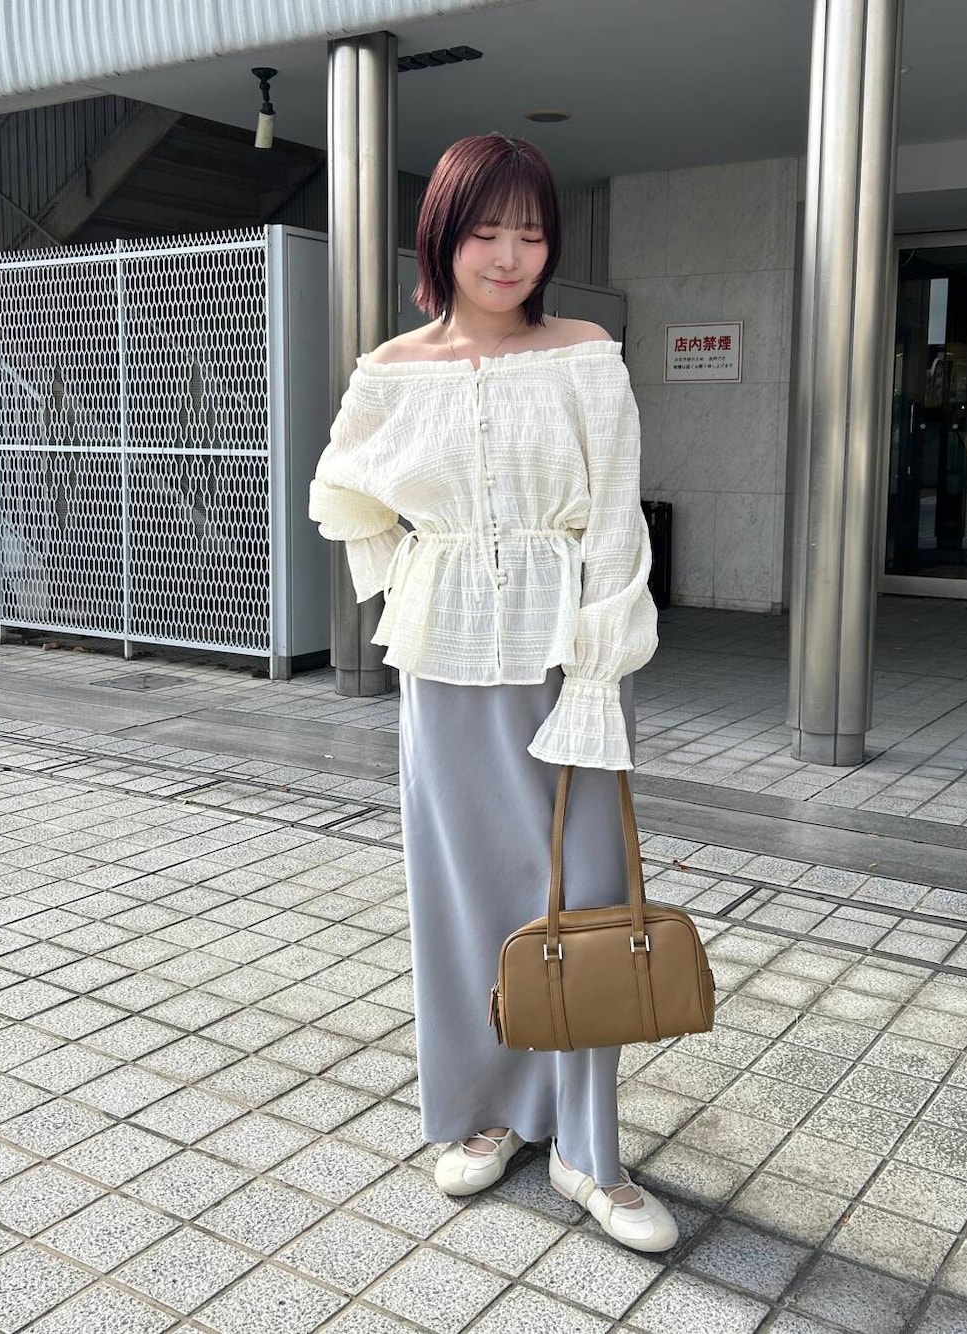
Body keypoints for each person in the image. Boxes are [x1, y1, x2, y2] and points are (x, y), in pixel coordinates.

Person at [309, 133, 675, 1253]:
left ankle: (586, 1149)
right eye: (485, 231)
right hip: (445, 663)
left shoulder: (584, 353)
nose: (509, 256)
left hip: (565, 655)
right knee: (462, 892)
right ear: (443, 238)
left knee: (584, 891)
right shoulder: (391, 368)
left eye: (529, 233)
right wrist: (409, 583)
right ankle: (485, 1112)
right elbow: (342, 490)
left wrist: (597, 670)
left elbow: (615, 522)